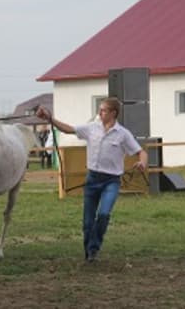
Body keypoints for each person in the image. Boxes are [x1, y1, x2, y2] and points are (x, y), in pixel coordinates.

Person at [36, 96, 148, 262]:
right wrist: (50, 119)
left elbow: (141, 152)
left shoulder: (123, 134)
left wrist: (142, 162)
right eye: (100, 109)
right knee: (88, 221)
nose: (100, 112)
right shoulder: (92, 128)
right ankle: (89, 252)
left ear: (113, 113)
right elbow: (69, 129)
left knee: (103, 214)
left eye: (103, 110)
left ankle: (94, 248)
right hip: (92, 179)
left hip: (111, 181)